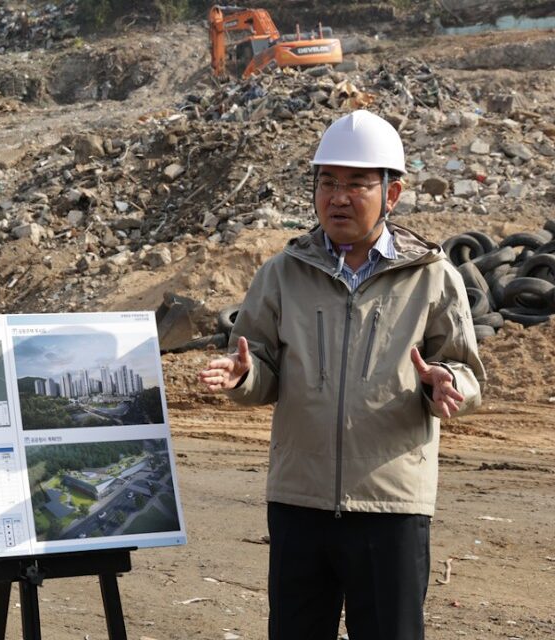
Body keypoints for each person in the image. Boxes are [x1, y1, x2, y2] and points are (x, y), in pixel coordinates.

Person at [198, 109, 486, 639]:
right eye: (327, 182)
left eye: (356, 184)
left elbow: (465, 370)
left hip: (390, 503)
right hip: (299, 501)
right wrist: (243, 377)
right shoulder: (283, 273)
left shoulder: (431, 277)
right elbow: (261, 364)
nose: (338, 197)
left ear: (391, 194)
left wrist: (447, 384)